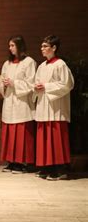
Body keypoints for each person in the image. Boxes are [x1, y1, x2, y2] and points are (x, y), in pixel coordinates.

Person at [33, 35, 74, 180]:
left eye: (45, 46)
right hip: (44, 106)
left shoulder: (60, 64)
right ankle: (46, 166)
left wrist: (46, 86)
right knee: (44, 138)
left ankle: (60, 169)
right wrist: (37, 87)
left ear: (54, 48)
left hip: (56, 107)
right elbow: (37, 83)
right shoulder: (41, 66)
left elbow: (67, 84)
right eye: (42, 46)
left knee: (55, 138)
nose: (42, 49)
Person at [0, 36, 36, 174]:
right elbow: (0, 80)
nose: (10, 48)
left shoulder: (29, 62)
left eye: (13, 45)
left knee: (21, 134)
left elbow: (31, 83)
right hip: (9, 101)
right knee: (9, 132)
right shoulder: (7, 64)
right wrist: (4, 83)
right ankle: (12, 162)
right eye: (9, 46)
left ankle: (22, 163)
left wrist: (14, 83)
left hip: (22, 103)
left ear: (20, 46)